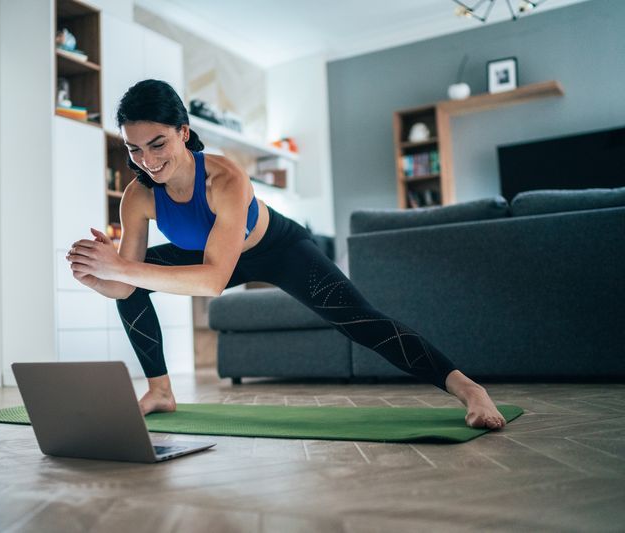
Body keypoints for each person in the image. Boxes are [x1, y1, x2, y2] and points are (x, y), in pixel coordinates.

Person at [65, 79, 506, 430]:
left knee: (360, 320)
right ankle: (160, 390)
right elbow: (127, 284)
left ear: (183, 132)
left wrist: (123, 267)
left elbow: (214, 280)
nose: (145, 160)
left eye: (157, 143)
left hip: (277, 249)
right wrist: (101, 276)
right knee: (132, 289)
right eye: (133, 148)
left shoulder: (225, 179)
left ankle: (470, 390)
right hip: (210, 257)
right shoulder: (137, 197)